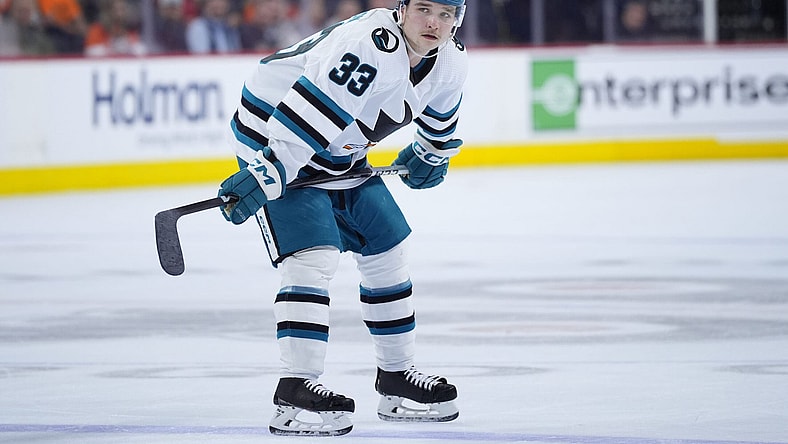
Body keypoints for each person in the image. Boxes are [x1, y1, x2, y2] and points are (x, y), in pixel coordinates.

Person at [215, 0, 467, 436]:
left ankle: (396, 377)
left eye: (445, 15)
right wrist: (268, 170)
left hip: (340, 151)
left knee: (386, 248)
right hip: (275, 137)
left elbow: (439, 122)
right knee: (313, 256)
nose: (434, 23)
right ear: (402, 9)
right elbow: (308, 116)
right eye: (424, 9)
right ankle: (295, 387)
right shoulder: (368, 46)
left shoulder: (450, 61)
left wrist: (432, 154)